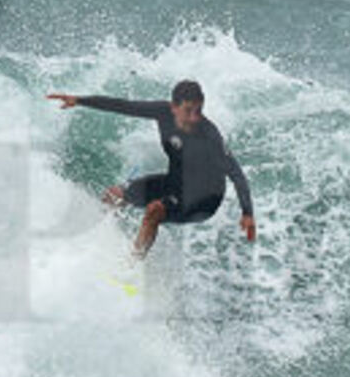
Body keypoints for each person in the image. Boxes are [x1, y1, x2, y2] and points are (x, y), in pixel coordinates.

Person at [47, 79, 256, 256]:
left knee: (154, 210)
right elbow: (124, 106)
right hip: (175, 182)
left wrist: (247, 213)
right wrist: (80, 100)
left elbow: (236, 173)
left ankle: (132, 266)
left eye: (199, 110)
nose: (194, 117)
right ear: (174, 107)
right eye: (188, 111)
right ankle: (99, 244)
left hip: (203, 198)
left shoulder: (209, 135)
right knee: (113, 195)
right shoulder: (162, 112)